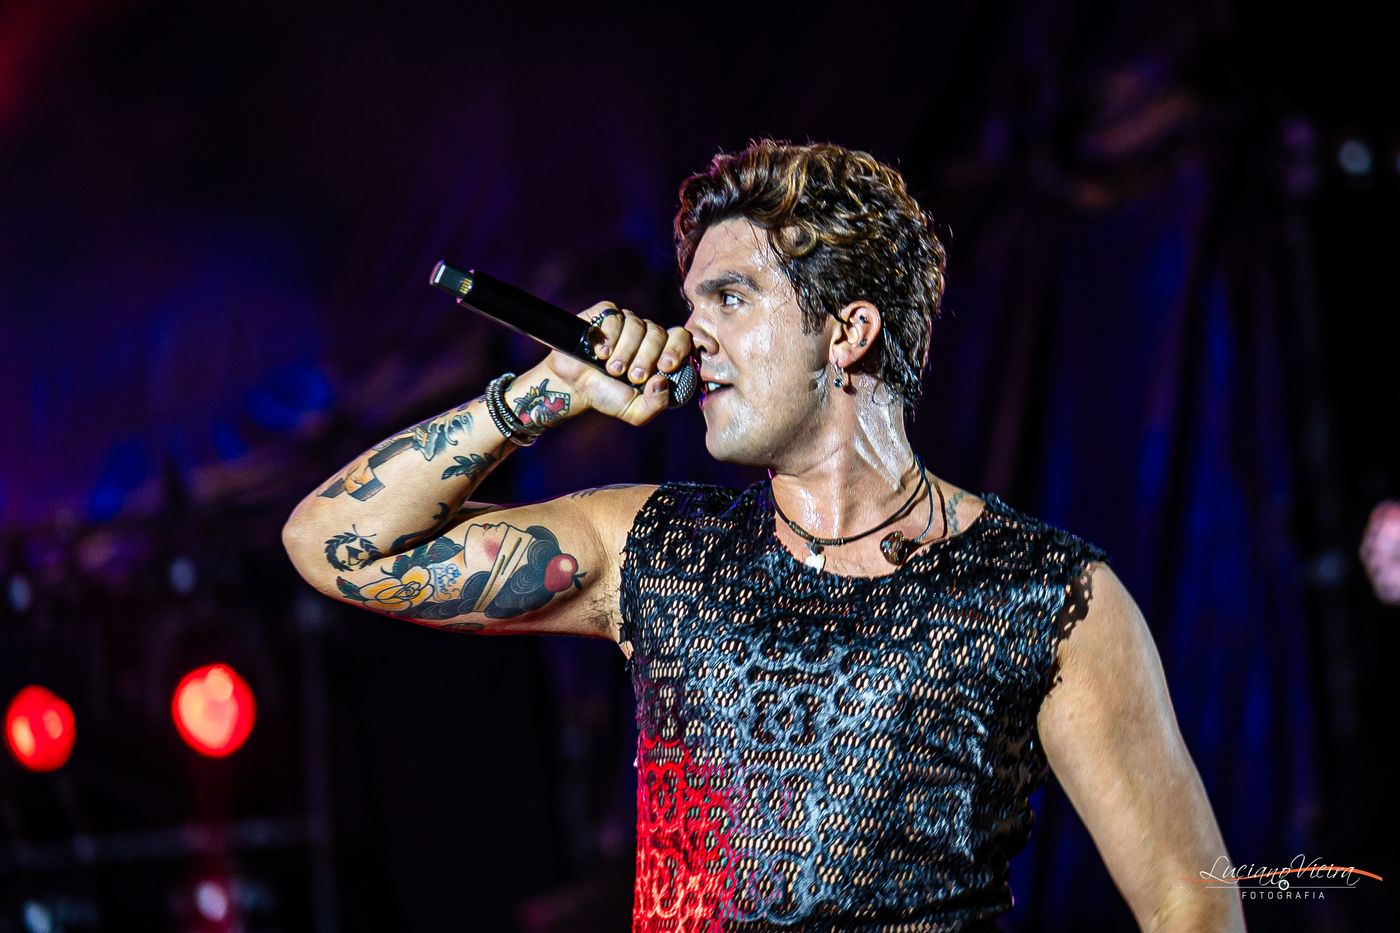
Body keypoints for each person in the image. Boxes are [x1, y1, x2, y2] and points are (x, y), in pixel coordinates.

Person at [282, 140, 1244, 931]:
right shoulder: (657, 549)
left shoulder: (1044, 592)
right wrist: (546, 391)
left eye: (732, 298)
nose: (692, 333)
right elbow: (337, 545)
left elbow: (1190, 903)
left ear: (847, 331)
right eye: (692, 303)